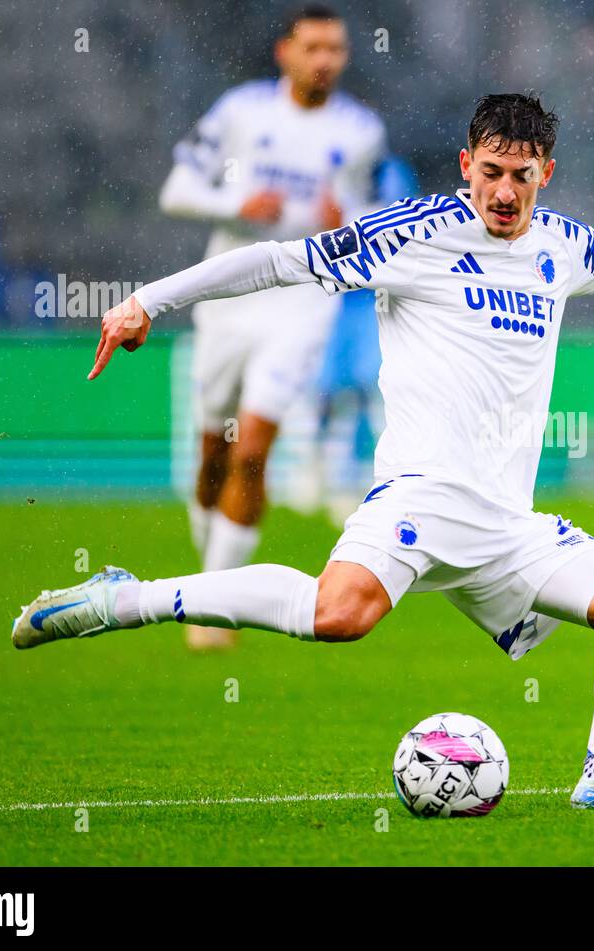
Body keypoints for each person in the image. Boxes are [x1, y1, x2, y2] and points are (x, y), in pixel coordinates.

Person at [12, 93, 594, 809]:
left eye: (522, 174)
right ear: (466, 164)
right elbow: (275, 261)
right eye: (491, 171)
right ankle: (124, 599)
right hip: (421, 495)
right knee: (339, 616)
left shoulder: (563, 247)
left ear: (545, 173)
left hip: (507, 525)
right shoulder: (414, 234)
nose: (505, 192)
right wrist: (148, 302)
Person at [160, 4, 385, 648]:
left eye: (336, 49)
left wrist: (351, 218)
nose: (326, 60)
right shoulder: (240, 113)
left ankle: (208, 611)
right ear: (285, 52)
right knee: (215, 454)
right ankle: (209, 581)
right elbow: (176, 190)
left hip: (300, 305)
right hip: (230, 298)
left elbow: (373, 211)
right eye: (313, 47)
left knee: (253, 450)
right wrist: (236, 203)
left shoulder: (361, 130)